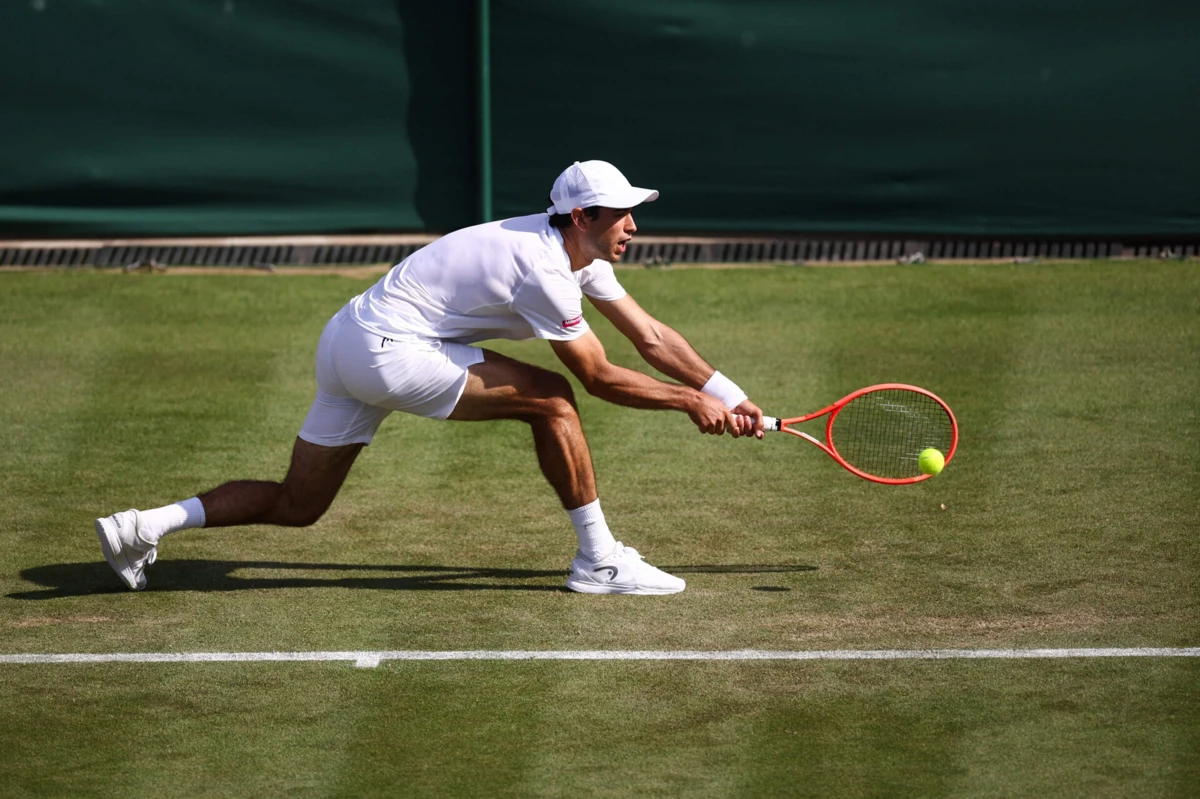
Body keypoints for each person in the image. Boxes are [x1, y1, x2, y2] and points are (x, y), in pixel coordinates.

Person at [94, 160, 765, 596]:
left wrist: (725, 394)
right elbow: (596, 376)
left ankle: (141, 525)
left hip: (346, 340)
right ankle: (599, 560)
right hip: (391, 350)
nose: (634, 223)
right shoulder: (543, 268)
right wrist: (688, 402)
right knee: (554, 399)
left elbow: (648, 335)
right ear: (583, 218)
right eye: (622, 212)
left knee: (299, 505)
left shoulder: (578, 251)